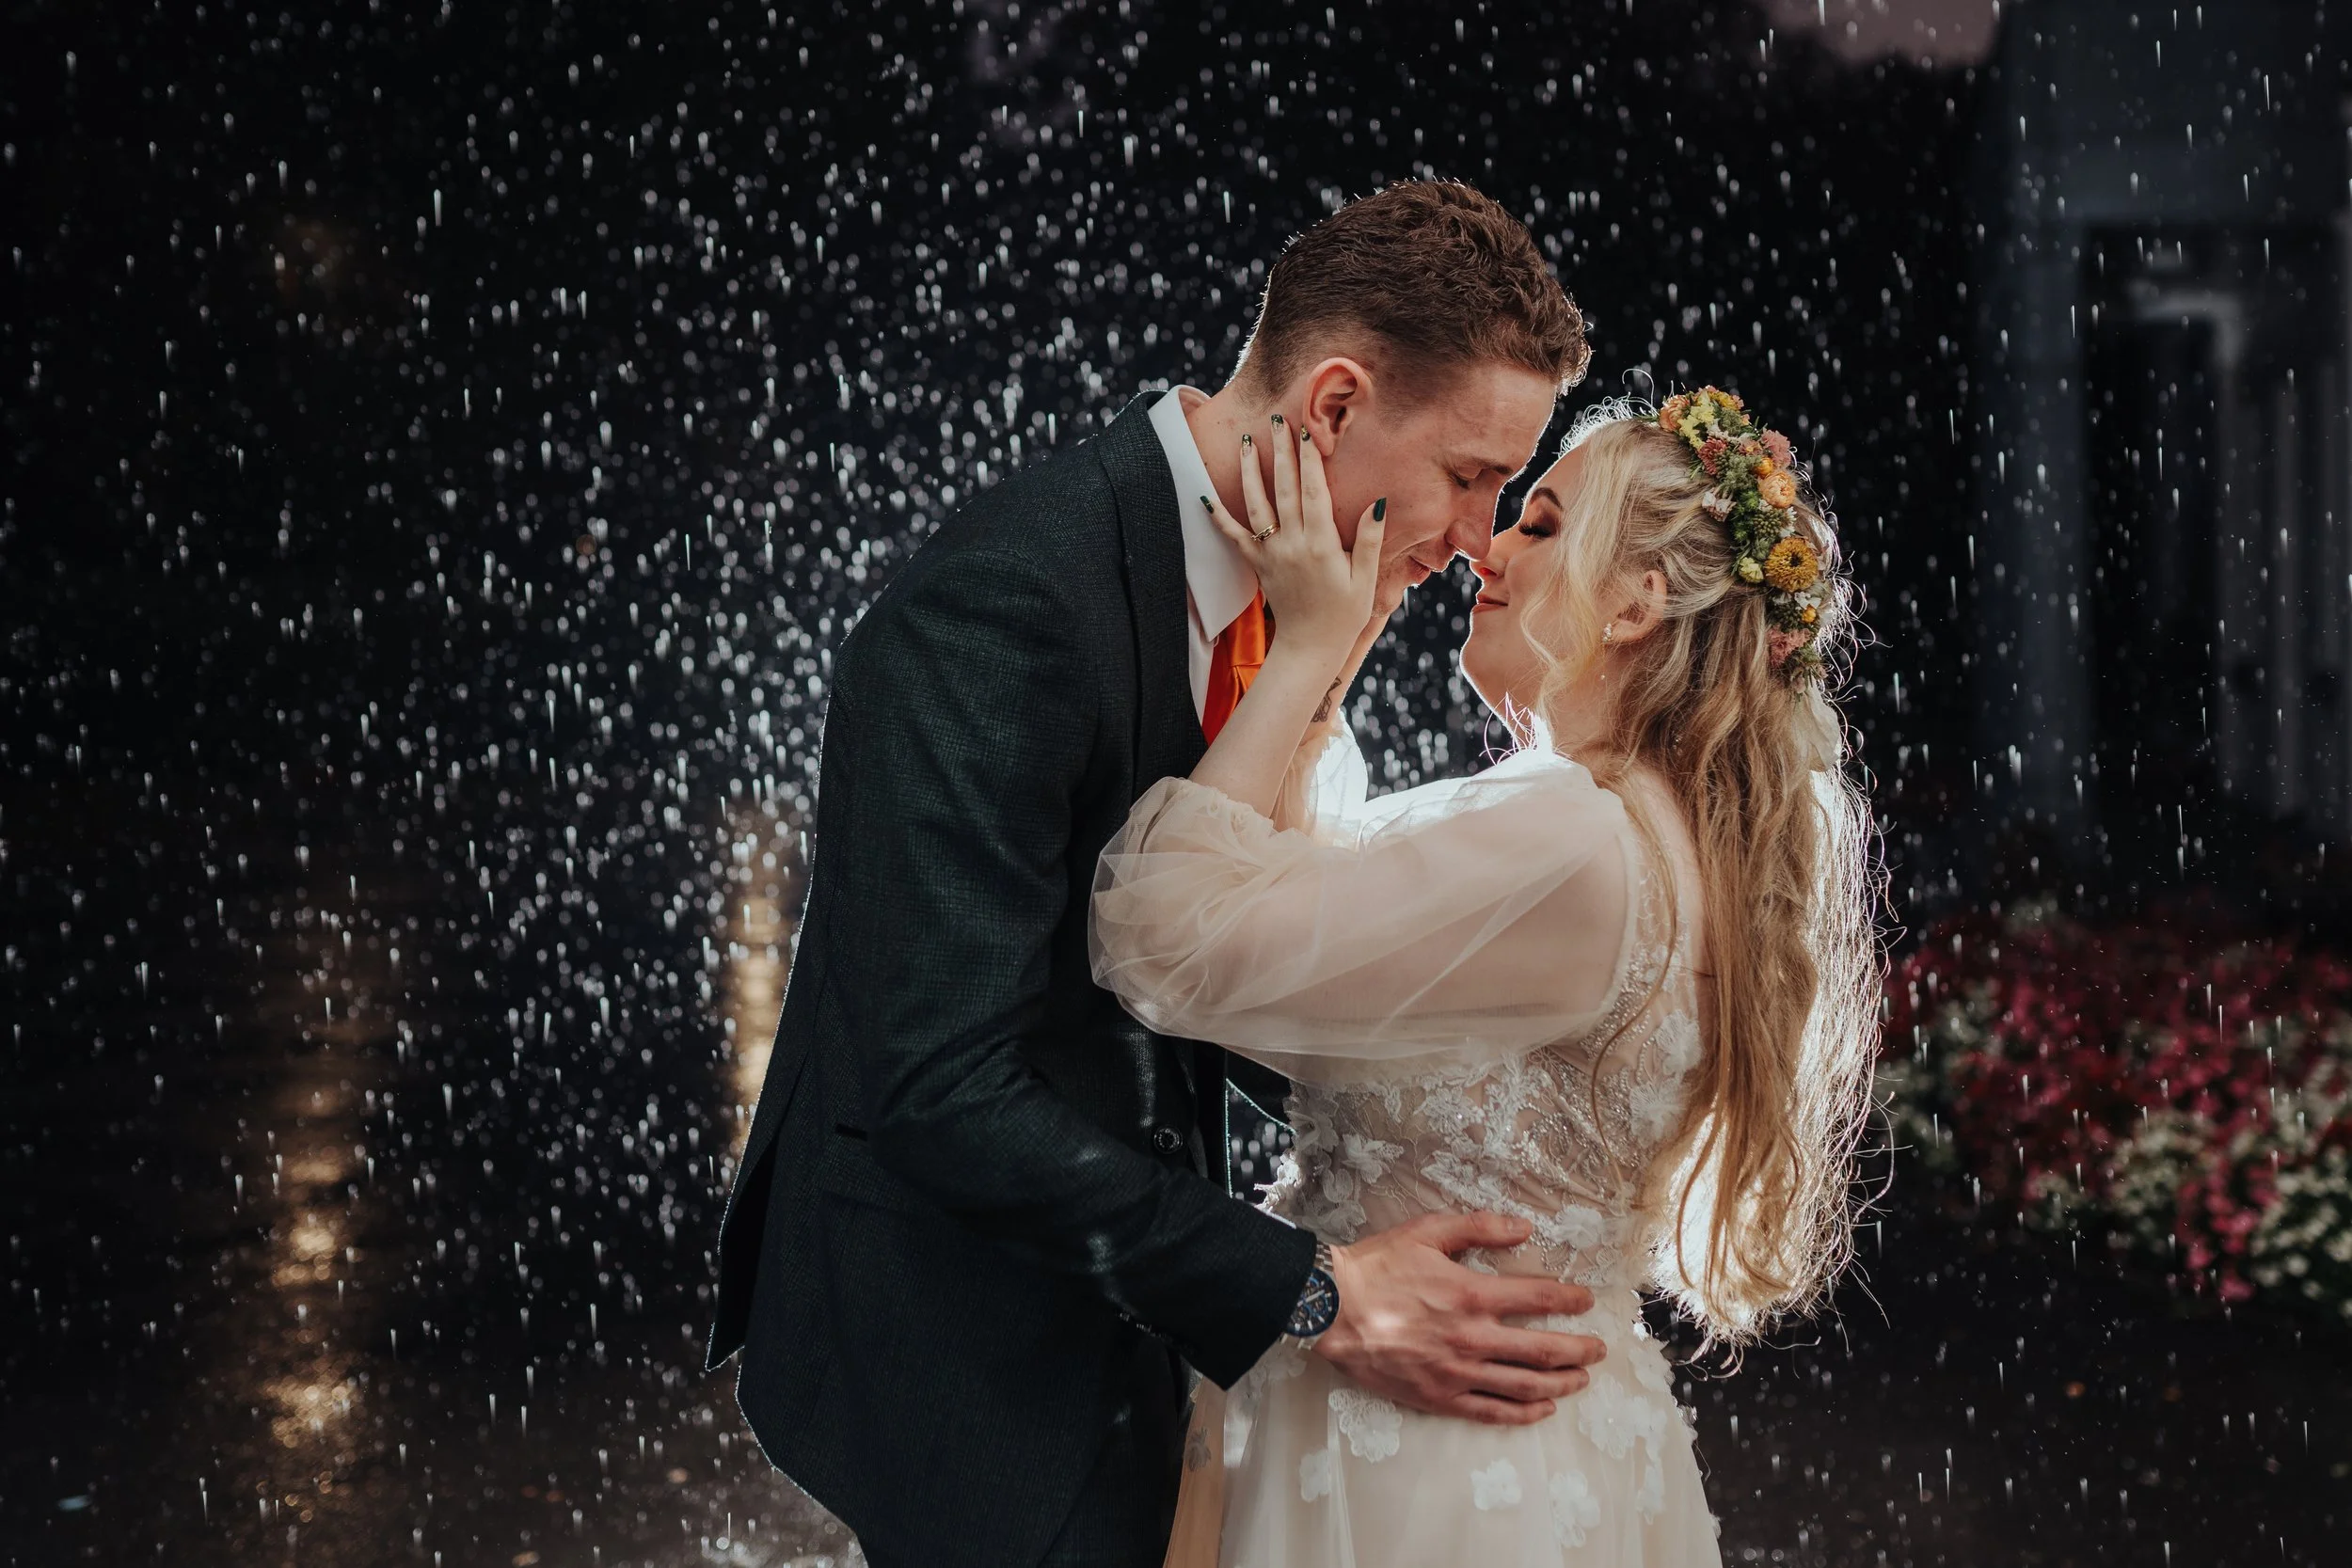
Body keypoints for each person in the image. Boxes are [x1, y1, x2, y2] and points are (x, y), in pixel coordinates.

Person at [706, 180, 1607, 1568]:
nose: (1479, 538)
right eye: (1473, 474)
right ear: (1333, 405)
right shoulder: (1003, 608)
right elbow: (945, 1086)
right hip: (966, 1319)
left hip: (1136, 1283)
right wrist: (1315, 1290)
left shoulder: (1308, 593)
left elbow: (1230, 952)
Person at [1089, 388, 1885, 1566]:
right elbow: (1307, 971)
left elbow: (1160, 933)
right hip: (1545, 1448)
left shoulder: (1574, 846)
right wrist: (1336, 649)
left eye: (1544, 522)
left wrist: (1303, 642)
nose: (1489, 544)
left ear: (1635, 603)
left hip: (1429, 1471)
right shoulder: (1656, 840)